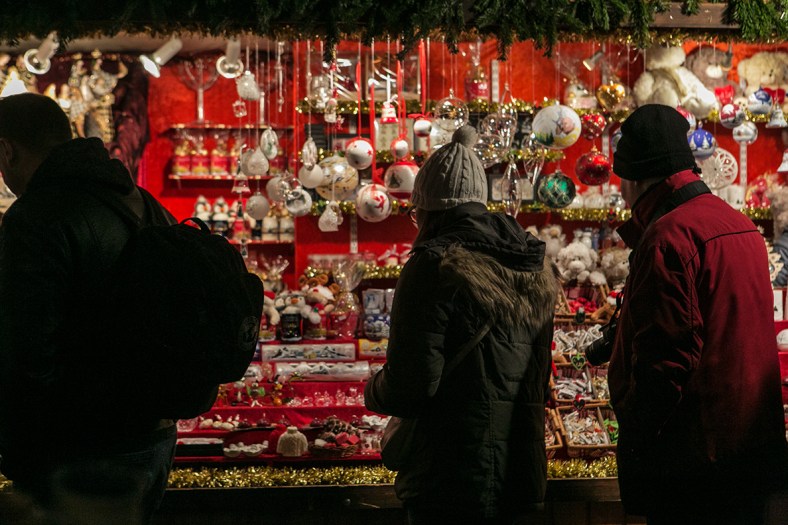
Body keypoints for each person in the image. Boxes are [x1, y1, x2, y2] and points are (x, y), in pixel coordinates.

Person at [364, 125, 559, 524]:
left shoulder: (434, 266)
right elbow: (539, 378)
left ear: (427, 211)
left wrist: (373, 390)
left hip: (452, 478)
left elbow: (411, 386)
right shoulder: (534, 266)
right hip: (521, 476)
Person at [0, 93, 177, 523]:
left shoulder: (35, 217)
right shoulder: (142, 202)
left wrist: (20, 447)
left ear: (7, 150)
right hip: (153, 430)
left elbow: (27, 351)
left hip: (77, 443)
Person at [609, 104, 788, 524]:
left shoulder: (667, 238)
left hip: (695, 468)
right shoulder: (740, 225)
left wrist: (634, 434)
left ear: (634, 179)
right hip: (749, 454)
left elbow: (667, 361)